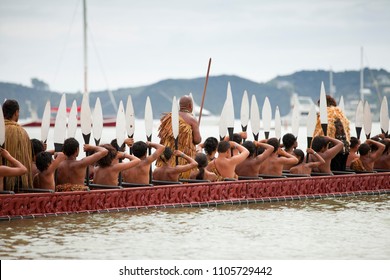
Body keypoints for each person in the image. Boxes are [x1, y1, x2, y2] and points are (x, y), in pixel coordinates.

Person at [156, 95, 201, 179]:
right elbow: (197, 140)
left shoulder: (168, 118)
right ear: (190, 106)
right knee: (183, 178)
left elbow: (162, 136)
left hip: (167, 156)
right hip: (183, 156)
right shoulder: (192, 119)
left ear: (180, 105)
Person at [313, 95, 350, 171]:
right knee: (341, 170)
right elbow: (347, 132)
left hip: (333, 148)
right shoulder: (340, 114)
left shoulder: (326, 113)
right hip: (345, 148)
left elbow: (320, 132)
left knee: (332, 169)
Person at [2, 99, 32, 191]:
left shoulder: (1, 129)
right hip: (18, 180)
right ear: (16, 112)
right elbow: (27, 158)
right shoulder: (21, 132)